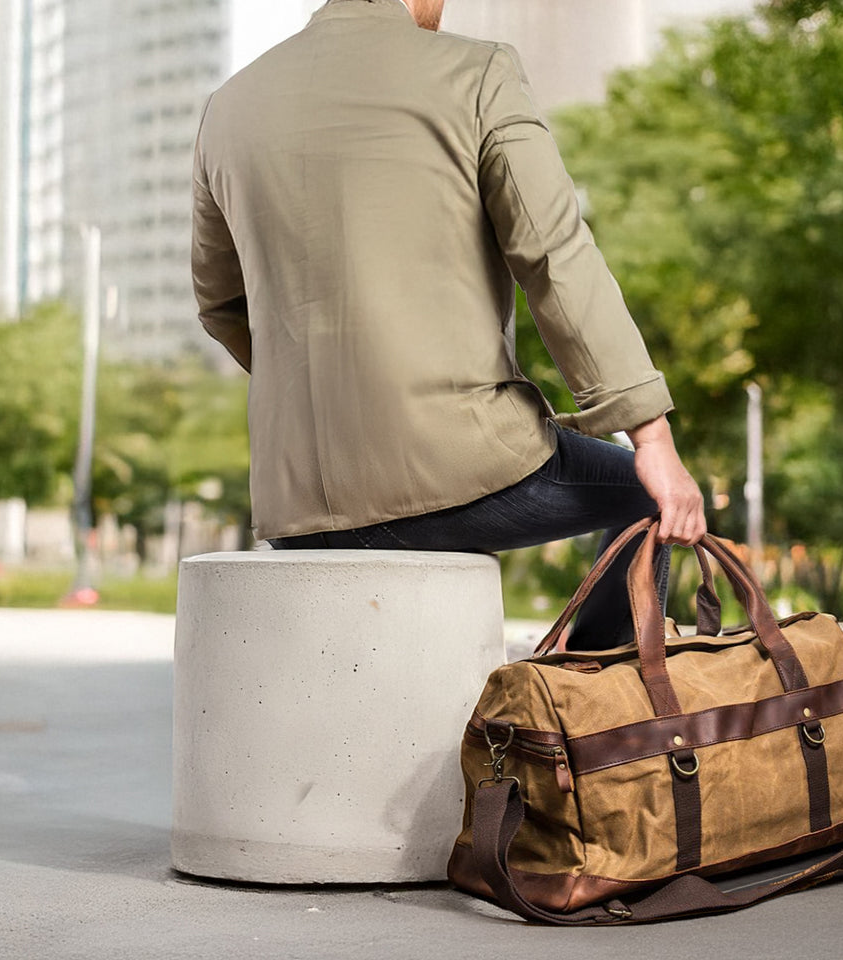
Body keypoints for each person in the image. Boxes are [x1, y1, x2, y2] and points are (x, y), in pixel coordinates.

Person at [190, 0, 706, 648]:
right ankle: (596, 702)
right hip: (455, 478)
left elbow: (217, 303)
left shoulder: (229, 106)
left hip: (294, 504)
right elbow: (554, 256)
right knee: (648, 496)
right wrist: (651, 441)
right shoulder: (477, 72)